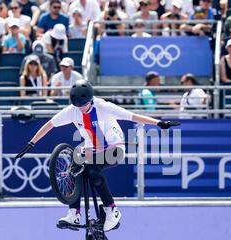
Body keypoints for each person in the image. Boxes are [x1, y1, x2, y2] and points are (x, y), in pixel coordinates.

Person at [15, 79, 180, 231]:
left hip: (115, 148)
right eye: (78, 106)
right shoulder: (72, 111)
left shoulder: (103, 107)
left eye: (84, 105)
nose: (81, 108)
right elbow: (49, 125)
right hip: (93, 150)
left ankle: (112, 211)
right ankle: (74, 213)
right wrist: (31, 143)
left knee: (93, 169)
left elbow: (131, 116)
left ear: (90, 100)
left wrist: (159, 123)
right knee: (75, 167)